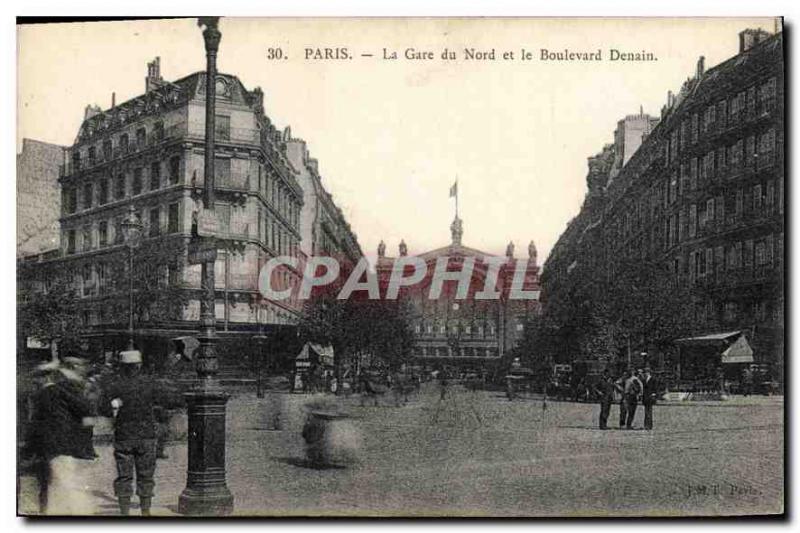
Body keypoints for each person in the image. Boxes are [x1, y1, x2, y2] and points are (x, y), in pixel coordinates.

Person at [102, 349, 174, 516]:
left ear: (121, 366)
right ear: (139, 366)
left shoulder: (115, 385)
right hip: (146, 435)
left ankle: (124, 513)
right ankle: (145, 512)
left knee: (124, 476)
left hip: (124, 435)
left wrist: (116, 405)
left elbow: (103, 408)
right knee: (146, 475)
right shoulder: (149, 383)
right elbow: (166, 402)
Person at [25, 360, 96, 515]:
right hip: (62, 445)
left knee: (60, 483)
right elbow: (85, 409)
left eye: (37, 377)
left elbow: (36, 424)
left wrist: (29, 448)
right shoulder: (60, 391)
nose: (34, 380)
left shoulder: (43, 394)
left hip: (54, 446)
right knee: (59, 482)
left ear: (46, 377)